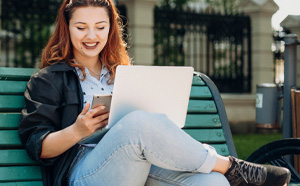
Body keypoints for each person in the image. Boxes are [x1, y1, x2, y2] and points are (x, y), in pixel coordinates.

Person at [18, 0, 291, 186]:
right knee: (139, 122)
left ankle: (224, 172)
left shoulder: (122, 73)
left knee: (212, 182)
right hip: (85, 173)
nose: (91, 36)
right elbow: (37, 145)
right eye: (81, 27)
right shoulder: (49, 79)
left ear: (111, 28)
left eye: (100, 27)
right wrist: (77, 131)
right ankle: (233, 167)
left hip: (141, 165)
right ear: (67, 28)